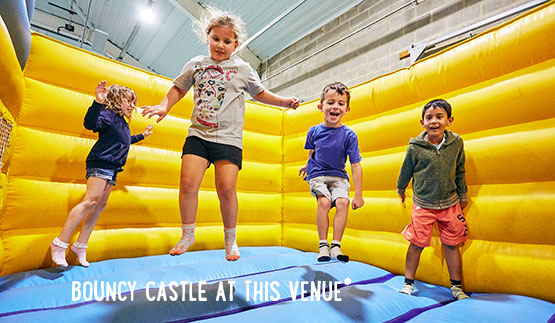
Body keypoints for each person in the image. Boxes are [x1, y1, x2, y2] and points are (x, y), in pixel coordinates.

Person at [141, 7, 299, 261]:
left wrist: (284, 102)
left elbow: (259, 93)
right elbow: (178, 88)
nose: (220, 45)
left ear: (236, 44)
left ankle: (230, 239)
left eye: (227, 41)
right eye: (216, 39)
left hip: (228, 138)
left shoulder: (243, 68)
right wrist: (163, 106)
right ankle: (188, 234)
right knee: (187, 183)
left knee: (226, 188)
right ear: (208, 38)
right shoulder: (196, 64)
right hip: (199, 135)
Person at [50, 80, 153, 267]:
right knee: (90, 201)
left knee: (99, 206)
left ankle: (80, 245)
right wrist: (98, 101)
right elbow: (90, 123)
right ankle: (59, 243)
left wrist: (142, 136)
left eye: (133, 103)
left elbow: (125, 140)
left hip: (112, 167)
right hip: (101, 163)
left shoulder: (122, 122)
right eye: (128, 101)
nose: (132, 106)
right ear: (115, 99)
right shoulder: (107, 115)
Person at [397, 99, 469, 300]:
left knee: (452, 244)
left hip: (450, 202)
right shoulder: (415, 147)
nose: (434, 122)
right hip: (423, 203)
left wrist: (462, 194)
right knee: (417, 243)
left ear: (449, 120)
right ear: (422, 122)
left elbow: (460, 170)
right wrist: (401, 188)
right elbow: (406, 170)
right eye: (429, 118)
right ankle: (408, 282)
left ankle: (456, 286)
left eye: (439, 117)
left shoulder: (456, 143)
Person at [299, 82, 364, 263]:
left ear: (347, 109)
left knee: (343, 202)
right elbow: (312, 152)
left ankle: (336, 245)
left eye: (341, 104)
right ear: (321, 107)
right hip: (317, 173)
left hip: (338, 175)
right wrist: (307, 165)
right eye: (330, 102)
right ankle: (323, 245)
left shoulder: (349, 135)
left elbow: (356, 165)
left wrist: (358, 194)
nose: (335, 106)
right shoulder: (314, 131)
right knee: (324, 202)